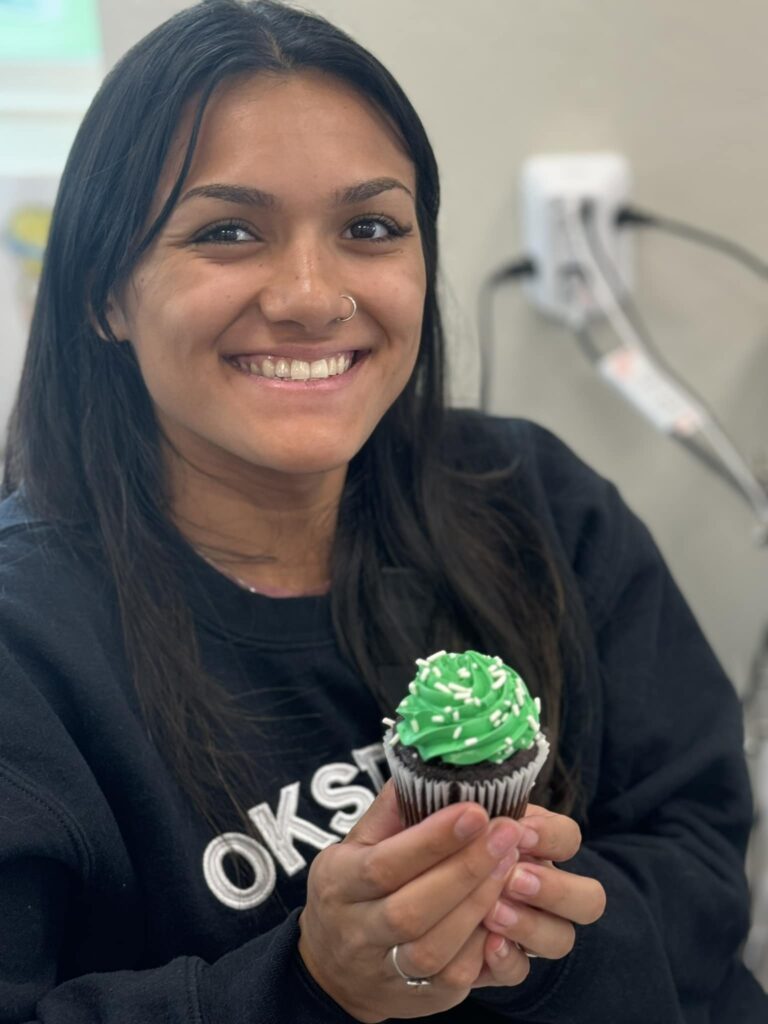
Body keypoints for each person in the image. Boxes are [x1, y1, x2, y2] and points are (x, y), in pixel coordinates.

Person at [0, 0, 765, 1020]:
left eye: (370, 227)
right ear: (104, 290)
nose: (313, 296)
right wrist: (311, 985)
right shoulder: (28, 650)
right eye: (228, 230)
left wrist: (532, 942)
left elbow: (700, 843)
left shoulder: (539, 501)